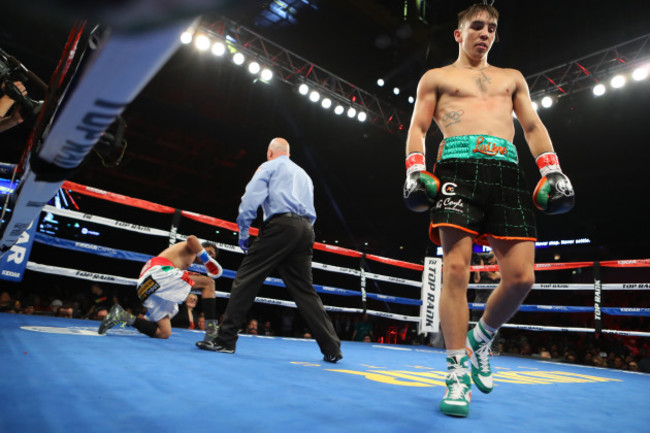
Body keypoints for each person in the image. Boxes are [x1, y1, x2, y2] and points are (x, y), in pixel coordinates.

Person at [403, 3, 574, 417]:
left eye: (492, 28)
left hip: (507, 170)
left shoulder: (511, 78)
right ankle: (456, 373)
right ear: (458, 34)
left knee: (521, 277)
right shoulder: (437, 77)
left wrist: (552, 171)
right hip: (456, 170)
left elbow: (531, 126)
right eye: (477, 26)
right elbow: (418, 128)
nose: (485, 33)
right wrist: (414, 170)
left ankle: (482, 337)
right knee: (456, 270)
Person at [196, 137, 343, 363]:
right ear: (289, 153)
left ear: (270, 152)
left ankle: (224, 340)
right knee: (305, 291)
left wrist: (244, 233)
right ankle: (332, 347)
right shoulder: (304, 175)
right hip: (305, 231)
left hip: (281, 226)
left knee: (246, 278)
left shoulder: (269, 166)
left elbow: (249, 201)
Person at [99, 236, 223, 340]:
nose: (210, 256)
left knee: (163, 333)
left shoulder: (185, 259)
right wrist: (207, 260)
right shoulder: (192, 248)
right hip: (159, 272)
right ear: (202, 247)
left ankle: (122, 316)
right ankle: (212, 332)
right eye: (209, 252)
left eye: (213, 257)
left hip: (147, 284)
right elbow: (191, 238)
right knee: (209, 283)